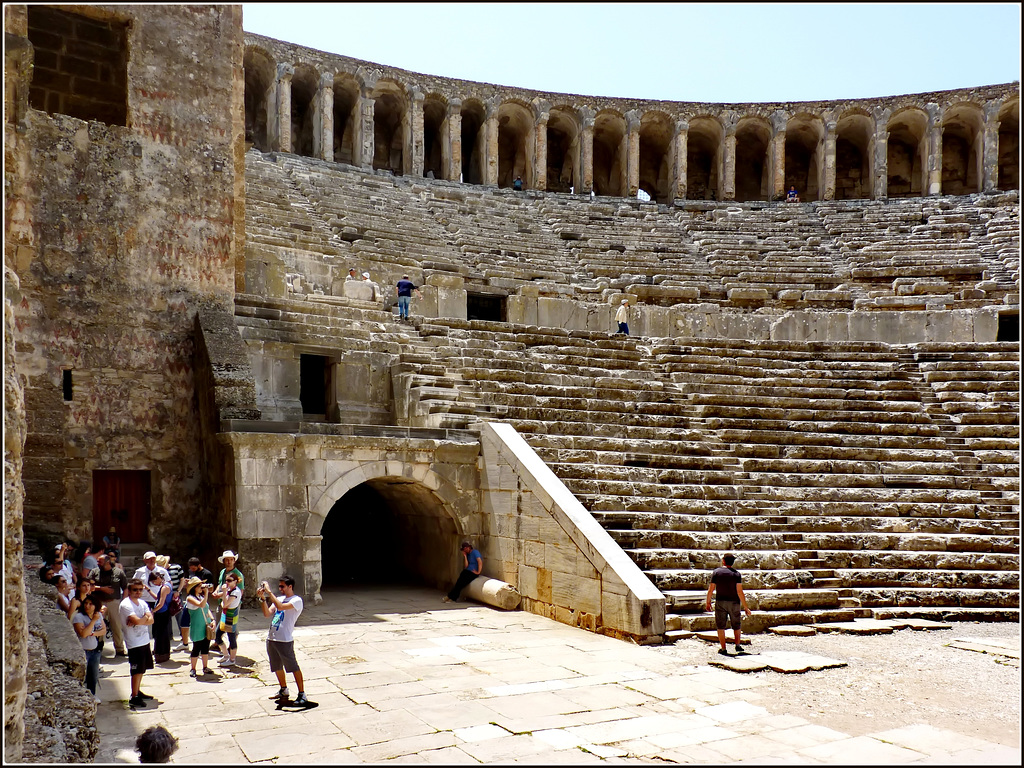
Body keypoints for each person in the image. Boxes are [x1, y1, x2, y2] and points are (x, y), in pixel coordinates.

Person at [259, 575, 309, 705]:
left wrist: (269, 592)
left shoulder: (296, 600)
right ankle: (283, 689)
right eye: (279, 586)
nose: (280, 589)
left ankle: (302, 693)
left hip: (285, 639)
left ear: (290, 586)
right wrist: (262, 598)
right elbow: (267, 614)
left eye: (282, 586)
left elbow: (281, 607)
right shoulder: (279, 599)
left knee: (292, 666)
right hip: (272, 637)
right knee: (276, 666)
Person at [704, 553, 753, 656]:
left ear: (723, 561)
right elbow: (740, 591)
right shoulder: (736, 574)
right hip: (734, 602)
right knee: (736, 624)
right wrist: (745, 607)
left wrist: (708, 602)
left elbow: (711, 589)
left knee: (720, 625)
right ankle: (738, 645)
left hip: (720, 602)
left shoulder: (716, 572)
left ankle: (723, 648)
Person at [120, 578, 155, 708]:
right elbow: (138, 620)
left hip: (144, 640)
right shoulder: (126, 604)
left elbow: (151, 620)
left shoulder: (142, 602)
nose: (138, 592)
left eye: (140, 590)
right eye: (135, 590)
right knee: (136, 670)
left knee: (142, 669)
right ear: (129, 590)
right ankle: (134, 696)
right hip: (134, 642)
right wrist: (143, 619)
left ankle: (138, 691)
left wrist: (142, 619)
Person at [89, 553, 127, 656]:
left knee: (117, 626)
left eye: (99, 561)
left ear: (107, 562)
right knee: (98, 626)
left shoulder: (118, 573)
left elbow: (125, 588)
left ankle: (120, 649)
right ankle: (98, 648)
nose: (97, 563)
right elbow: (89, 586)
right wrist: (101, 588)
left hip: (114, 602)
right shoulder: (94, 572)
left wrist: (123, 602)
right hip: (99, 603)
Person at [72, 595, 106, 702]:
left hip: (95, 650)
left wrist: (92, 633)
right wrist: (93, 622)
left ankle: (92, 694)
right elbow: (83, 634)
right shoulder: (79, 617)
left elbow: (103, 630)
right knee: (82, 675)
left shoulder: (98, 615)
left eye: (90, 604)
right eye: (86, 603)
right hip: (83, 650)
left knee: (93, 674)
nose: (87, 606)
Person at [177, 557, 214, 651]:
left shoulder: (207, 574)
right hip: (192, 600)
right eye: (191, 568)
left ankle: (200, 645)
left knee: (200, 625)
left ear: (199, 565)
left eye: (193, 568)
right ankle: (185, 643)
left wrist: (204, 590)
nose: (192, 570)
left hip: (200, 599)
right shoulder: (192, 573)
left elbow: (211, 588)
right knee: (184, 623)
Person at [184, 576, 214, 677]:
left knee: (205, 647)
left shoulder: (201, 597)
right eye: (199, 586)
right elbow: (201, 605)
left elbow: (206, 608)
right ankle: (193, 668)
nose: (202, 588)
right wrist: (206, 594)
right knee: (196, 648)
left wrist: (212, 619)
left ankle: (205, 667)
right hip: (197, 626)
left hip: (205, 624)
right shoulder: (190, 598)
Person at [213, 572, 242, 666]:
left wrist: (224, 593)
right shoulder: (230, 589)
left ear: (235, 581)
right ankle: (226, 655)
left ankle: (232, 660)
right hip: (225, 615)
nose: (227, 582)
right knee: (217, 636)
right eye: (226, 580)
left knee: (231, 638)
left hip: (231, 616)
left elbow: (224, 604)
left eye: (229, 581)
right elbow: (223, 603)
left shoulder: (236, 592)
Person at [157, 555, 185, 646]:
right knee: (167, 616)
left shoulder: (177, 567)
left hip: (176, 594)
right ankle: (169, 636)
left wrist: (178, 591)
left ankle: (183, 635)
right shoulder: (159, 571)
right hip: (165, 596)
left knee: (179, 615)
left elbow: (182, 580)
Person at [148, 571, 173, 663]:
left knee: (160, 635)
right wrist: (148, 590)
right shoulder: (167, 586)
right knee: (162, 634)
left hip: (162, 613)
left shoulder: (164, 588)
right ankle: (162, 653)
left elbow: (161, 603)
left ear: (158, 578)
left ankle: (161, 654)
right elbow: (158, 599)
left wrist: (152, 611)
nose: (154, 584)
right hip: (163, 613)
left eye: (154, 581)